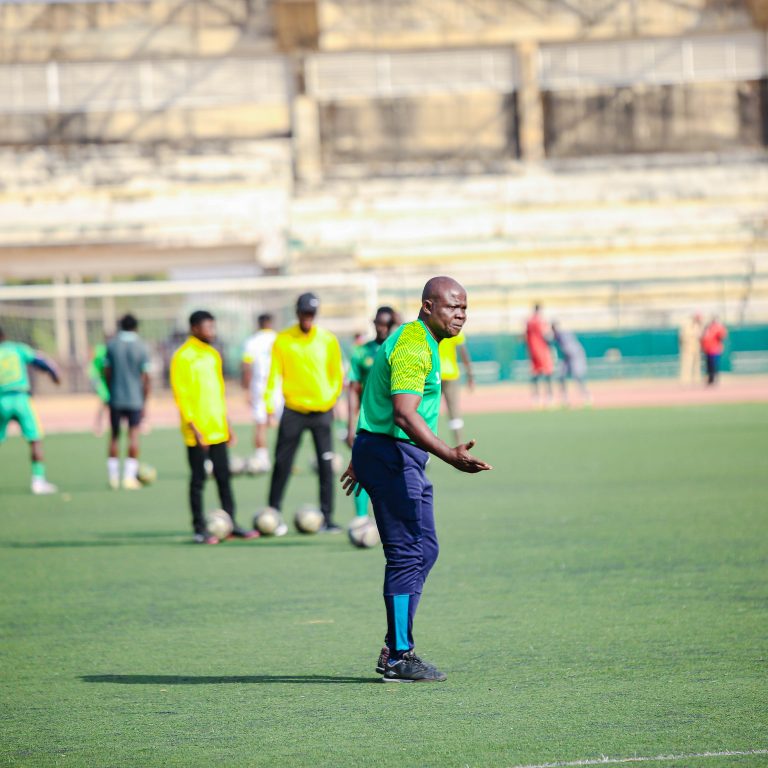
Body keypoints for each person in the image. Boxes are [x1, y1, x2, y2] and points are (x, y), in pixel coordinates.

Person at [341, 276, 492, 682]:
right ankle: (398, 656)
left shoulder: (422, 341)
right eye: (452, 306)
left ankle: (395, 644)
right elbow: (404, 414)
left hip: (389, 452)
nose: (460, 315)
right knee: (407, 553)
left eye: (464, 308)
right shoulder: (413, 345)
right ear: (427, 307)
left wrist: (362, 452)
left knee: (425, 549)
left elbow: (377, 395)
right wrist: (450, 455)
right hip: (392, 454)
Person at [170, 310, 259, 544]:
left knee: (224, 477)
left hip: (217, 428)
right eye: (207, 327)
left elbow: (218, 393)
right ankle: (199, 528)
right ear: (194, 329)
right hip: (197, 431)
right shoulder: (183, 356)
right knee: (198, 479)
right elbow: (182, 395)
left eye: (213, 326)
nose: (212, 331)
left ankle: (231, 524)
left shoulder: (213, 355)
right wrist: (194, 427)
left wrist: (227, 423)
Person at [265, 292, 344, 534]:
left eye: (312, 313)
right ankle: (272, 514)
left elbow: (336, 374)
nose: (308, 317)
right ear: (297, 312)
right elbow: (273, 374)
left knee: (325, 465)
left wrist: (330, 399)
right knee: (282, 463)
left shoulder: (328, 340)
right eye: (304, 312)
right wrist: (269, 406)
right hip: (294, 410)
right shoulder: (282, 340)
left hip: (322, 411)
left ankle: (327, 518)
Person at [346, 306, 398, 520]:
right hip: (368, 421)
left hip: (395, 421)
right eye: (379, 323)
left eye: (388, 324)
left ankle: (392, 517)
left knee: (395, 471)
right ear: (374, 323)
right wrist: (350, 424)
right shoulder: (361, 351)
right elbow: (352, 388)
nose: (383, 328)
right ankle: (361, 518)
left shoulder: (399, 349)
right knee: (361, 468)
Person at [0, 326, 60, 494]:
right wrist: (53, 375)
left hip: (1, 400)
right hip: (21, 398)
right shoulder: (17, 349)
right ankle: (38, 482)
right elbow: (40, 362)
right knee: (35, 439)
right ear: (4, 335)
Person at [104, 314, 150, 490]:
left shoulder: (112, 345)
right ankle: (129, 478)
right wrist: (144, 400)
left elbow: (107, 372)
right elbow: (146, 377)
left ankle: (113, 478)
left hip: (116, 397)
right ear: (136, 327)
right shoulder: (141, 346)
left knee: (114, 436)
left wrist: (110, 391)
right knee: (133, 435)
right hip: (135, 399)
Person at [241, 313, 282, 474]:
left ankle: (262, 459)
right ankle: (283, 458)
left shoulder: (252, 341)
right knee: (285, 424)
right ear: (271, 323)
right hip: (278, 384)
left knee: (260, 423)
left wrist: (246, 389)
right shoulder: (280, 339)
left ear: (259, 324)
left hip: (260, 384)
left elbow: (246, 366)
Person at [438, 330, 474, 443]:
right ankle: (459, 444)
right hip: (451, 374)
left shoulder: (432, 328)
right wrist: (470, 374)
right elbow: (464, 353)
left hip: (434, 374)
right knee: (454, 412)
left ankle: (424, 445)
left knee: (429, 410)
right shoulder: (454, 329)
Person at [551, 321, 591, 407]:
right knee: (561, 377)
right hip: (567, 358)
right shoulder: (557, 336)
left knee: (578, 376)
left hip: (575, 356)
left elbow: (569, 348)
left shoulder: (563, 334)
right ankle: (564, 399)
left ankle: (586, 397)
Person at [525, 303, 554, 407]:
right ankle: (549, 397)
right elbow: (547, 335)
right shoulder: (541, 321)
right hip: (542, 350)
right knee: (547, 372)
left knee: (535, 373)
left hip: (532, 350)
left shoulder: (529, 321)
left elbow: (526, 336)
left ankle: (535, 397)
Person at [88, 338, 110, 436]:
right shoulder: (100, 349)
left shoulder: (112, 349)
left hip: (105, 379)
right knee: (104, 399)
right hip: (98, 378)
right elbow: (91, 355)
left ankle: (99, 424)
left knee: (106, 402)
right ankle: (98, 425)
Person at [701, 316, 728, 386]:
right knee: (709, 366)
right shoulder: (708, 328)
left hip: (715, 350)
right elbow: (704, 338)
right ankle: (710, 379)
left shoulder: (718, 328)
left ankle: (715, 379)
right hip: (708, 350)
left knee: (715, 365)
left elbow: (722, 335)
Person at [678, 313, 703, 385]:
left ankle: (697, 379)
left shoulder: (698, 326)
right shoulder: (687, 325)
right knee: (687, 364)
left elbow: (700, 336)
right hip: (688, 348)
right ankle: (685, 380)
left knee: (697, 365)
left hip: (696, 347)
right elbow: (683, 337)